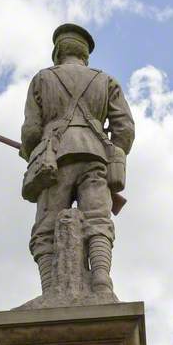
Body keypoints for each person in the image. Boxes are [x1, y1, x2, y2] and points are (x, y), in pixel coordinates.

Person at [19, 23, 135, 301]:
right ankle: (101, 281)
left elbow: (31, 131)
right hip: (95, 157)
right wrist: (115, 152)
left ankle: (50, 290)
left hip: (54, 159)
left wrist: (29, 152)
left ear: (58, 51)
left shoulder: (42, 79)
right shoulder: (105, 80)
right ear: (85, 54)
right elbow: (125, 129)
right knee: (98, 221)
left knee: (45, 229)